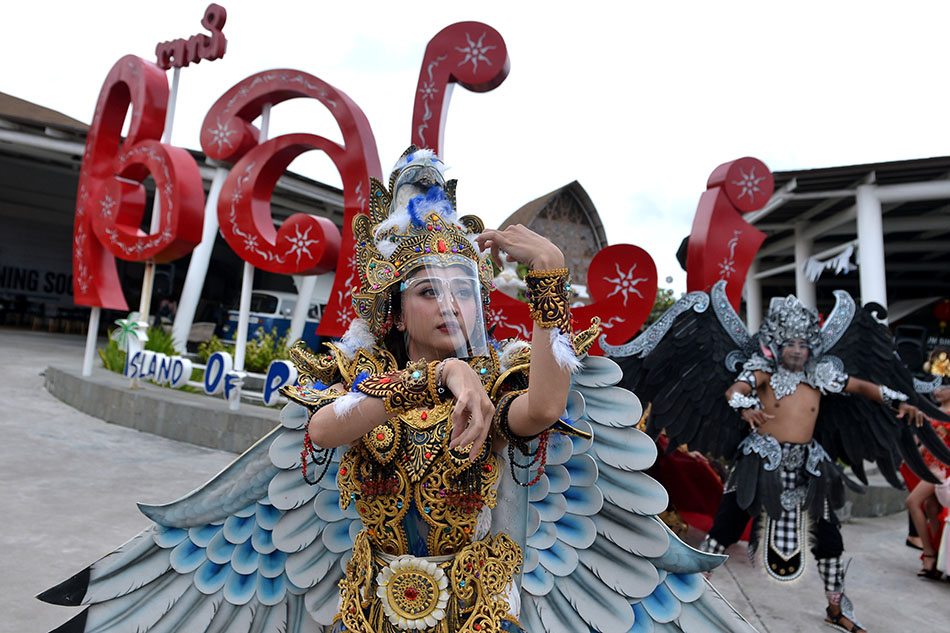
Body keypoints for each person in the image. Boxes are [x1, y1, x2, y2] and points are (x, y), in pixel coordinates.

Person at [281, 147, 576, 632]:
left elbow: (544, 407)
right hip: (372, 610)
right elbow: (323, 428)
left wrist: (549, 274)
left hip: (469, 612)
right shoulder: (361, 375)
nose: (450, 305)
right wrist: (436, 377)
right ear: (394, 312)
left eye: (463, 291)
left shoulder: (488, 388)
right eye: (428, 291)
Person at [607, 287, 950, 633]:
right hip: (759, 461)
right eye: (791, 343)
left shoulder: (822, 374)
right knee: (724, 527)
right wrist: (746, 407)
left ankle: (836, 608)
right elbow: (735, 391)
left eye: (803, 344)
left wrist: (899, 400)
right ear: (777, 343)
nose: (798, 350)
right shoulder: (763, 371)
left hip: (809, 466)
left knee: (829, 537)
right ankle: (687, 596)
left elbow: (862, 387)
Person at [906, 365, 950, 580]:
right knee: (932, 511)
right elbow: (928, 445)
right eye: (936, 385)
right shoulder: (934, 412)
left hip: (943, 471)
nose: (937, 390)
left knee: (913, 502)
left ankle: (930, 555)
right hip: (932, 469)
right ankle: (937, 560)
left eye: (943, 386)